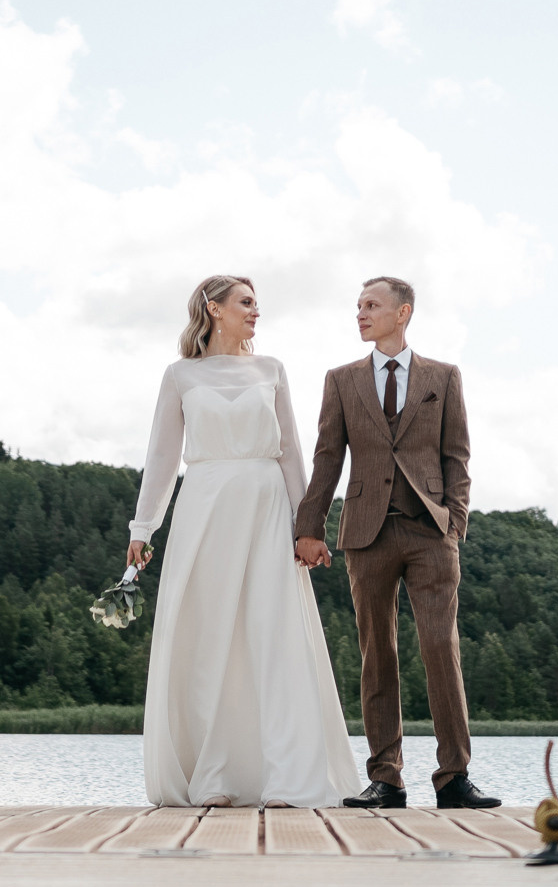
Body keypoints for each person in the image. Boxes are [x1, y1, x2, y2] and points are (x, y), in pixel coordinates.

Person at [128, 275, 362, 808]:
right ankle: (215, 776)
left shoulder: (271, 369)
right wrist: (143, 529)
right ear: (214, 309)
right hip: (205, 507)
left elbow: (292, 455)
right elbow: (163, 458)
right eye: (247, 303)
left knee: (272, 634)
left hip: (266, 508)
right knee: (210, 640)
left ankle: (288, 778)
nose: (257, 312)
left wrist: (309, 527)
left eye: (257, 304)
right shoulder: (180, 375)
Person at [294, 277, 500, 809]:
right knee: (376, 655)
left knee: (440, 649)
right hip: (365, 533)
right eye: (358, 306)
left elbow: (458, 457)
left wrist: (455, 523)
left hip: (431, 533)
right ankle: (386, 778)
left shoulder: (443, 377)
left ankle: (454, 777)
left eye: (371, 305)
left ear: (402, 312)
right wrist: (309, 527)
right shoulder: (341, 381)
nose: (360, 314)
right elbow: (327, 459)